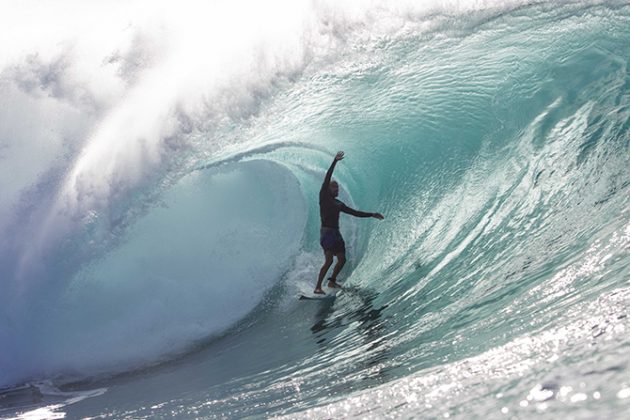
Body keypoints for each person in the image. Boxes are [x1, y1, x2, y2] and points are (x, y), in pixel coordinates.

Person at [314, 151, 384, 294]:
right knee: (328, 261)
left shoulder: (339, 204)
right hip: (327, 233)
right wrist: (335, 161)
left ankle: (332, 281)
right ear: (328, 189)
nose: (337, 189)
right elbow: (327, 178)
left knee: (342, 259)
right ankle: (318, 287)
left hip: (336, 234)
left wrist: (371, 214)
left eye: (338, 188)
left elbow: (354, 213)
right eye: (334, 187)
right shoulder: (324, 197)